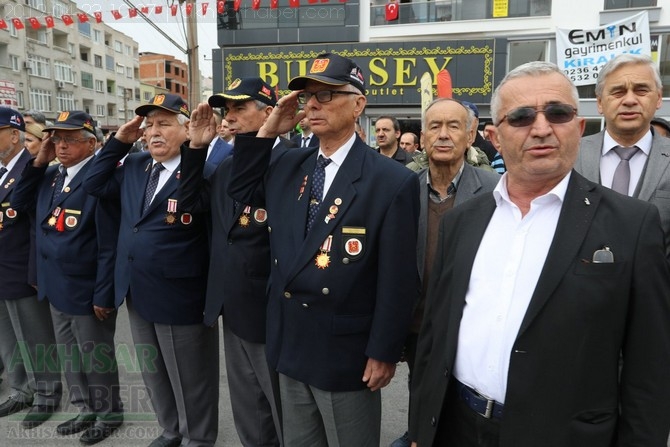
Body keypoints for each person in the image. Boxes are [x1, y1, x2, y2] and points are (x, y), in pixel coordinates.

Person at [409, 61, 670, 446]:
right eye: (522, 117)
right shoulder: (463, 220)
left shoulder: (631, 224)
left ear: (579, 128)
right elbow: (436, 333)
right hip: (456, 427)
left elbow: (649, 369)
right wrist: (420, 429)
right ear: (494, 137)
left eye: (558, 113)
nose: (542, 128)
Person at [225, 52, 420, 446]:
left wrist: (383, 350)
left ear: (359, 104)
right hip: (290, 339)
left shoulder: (391, 181)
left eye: (327, 95)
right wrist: (267, 132)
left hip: (344, 350)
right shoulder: (289, 165)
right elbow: (240, 189)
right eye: (307, 96)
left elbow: (397, 278)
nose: (312, 104)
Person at [83, 94, 219, 447]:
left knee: (190, 375)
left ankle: (198, 437)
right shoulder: (136, 165)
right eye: (149, 125)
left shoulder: (203, 169)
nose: (153, 132)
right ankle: (171, 429)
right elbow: (93, 184)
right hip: (137, 289)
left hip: (181, 293)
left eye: (164, 123)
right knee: (154, 371)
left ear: (187, 128)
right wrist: (119, 142)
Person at [180, 77, 284, 447]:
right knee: (247, 407)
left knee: (281, 407)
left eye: (241, 108)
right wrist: (195, 146)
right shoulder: (226, 164)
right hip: (231, 301)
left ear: (269, 113)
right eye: (228, 110)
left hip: (268, 305)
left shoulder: (290, 160)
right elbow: (189, 206)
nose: (231, 116)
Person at [390, 99, 499, 447]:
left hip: (468, 325)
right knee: (420, 396)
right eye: (434, 126)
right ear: (421, 138)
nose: (443, 134)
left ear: (470, 136)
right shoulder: (403, 187)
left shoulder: (496, 188)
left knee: (460, 405)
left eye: (454, 126)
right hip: (415, 324)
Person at [11, 111, 122, 443]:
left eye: (70, 139)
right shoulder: (52, 176)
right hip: (56, 284)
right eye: (57, 138)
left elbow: (107, 245)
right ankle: (84, 406)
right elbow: (18, 203)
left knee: (94, 354)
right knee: (70, 354)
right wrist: (38, 162)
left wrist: (104, 294)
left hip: (85, 287)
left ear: (91, 143)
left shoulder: (99, 179)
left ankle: (108, 413)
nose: (61, 145)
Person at [0, 108, 62, 427]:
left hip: (22, 269)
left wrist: (36, 272)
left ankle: (48, 393)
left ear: (14, 135)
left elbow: (38, 226)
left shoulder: (34, 169)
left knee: (36, 336)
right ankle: (22, 389)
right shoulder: (0, 170)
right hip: (2, 270)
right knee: (8, 337)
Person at [575, 54, 670, 258]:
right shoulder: (571, 155)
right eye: (618, 92)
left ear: (659, 98)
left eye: (641, 90)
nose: (629, 100)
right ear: (600, 103)